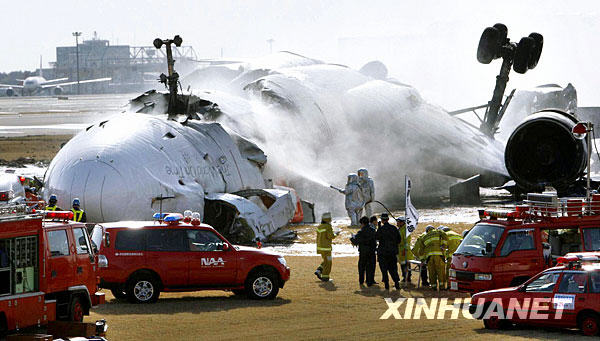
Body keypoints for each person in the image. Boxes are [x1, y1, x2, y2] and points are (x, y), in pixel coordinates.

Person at [375, 213, 401, 290]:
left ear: (382, 220)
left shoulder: (381, 229)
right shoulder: (394, 228)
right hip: (392, 252)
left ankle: (386, 284)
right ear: (388, 219)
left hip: (383, 253)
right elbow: (399, 240)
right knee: (393, 269)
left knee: (384, 269)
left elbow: (377, 237)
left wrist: (379, 227)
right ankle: (396, 283)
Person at [351, 216, 377, 286]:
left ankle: (361, 280)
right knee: (370, 267)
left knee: (362, 267)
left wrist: (352, 238)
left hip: (363, 252)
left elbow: (355, 241)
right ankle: (370, 281)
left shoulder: (361, 232)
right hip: (372, 252)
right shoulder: (373, 230)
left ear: (362, 223)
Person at [422, 225, 448, 290]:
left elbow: (421, 249)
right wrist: (443, 245)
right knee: (440, 271)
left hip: (429, 258)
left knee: (432, 272)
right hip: (438, 255)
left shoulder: (424, 237)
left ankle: (433, 287)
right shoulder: (438, 231)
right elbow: (445, 235)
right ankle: (442, 287)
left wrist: (423, 259)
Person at [315, 212, 337, 282]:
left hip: (320, 247)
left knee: (325, 260)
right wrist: (336, 234)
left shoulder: (319, 226)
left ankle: (319, 270)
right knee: (328, 262)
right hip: (326, 248)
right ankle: (325, 277)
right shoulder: (328, 226)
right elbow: (330, 236)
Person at [396, 217, 414, 284]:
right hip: (400, 251)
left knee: (406, 265)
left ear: (402, 222)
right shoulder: (400, 230)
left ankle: (407, 278)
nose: (397, 223)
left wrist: (405, 250)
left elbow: (407, 242)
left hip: (404, 251)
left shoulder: (405, 231)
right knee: (402, 265)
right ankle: (405, 277)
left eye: (398, 222)